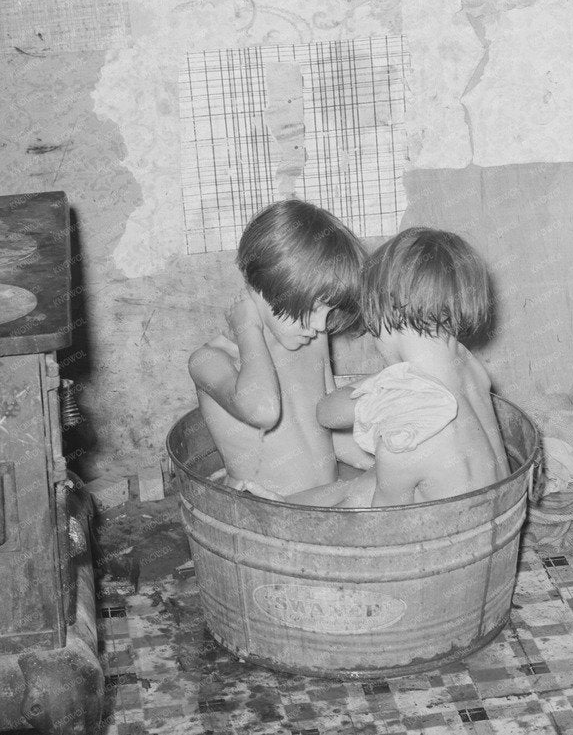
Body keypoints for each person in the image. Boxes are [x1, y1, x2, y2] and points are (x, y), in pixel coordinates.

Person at [248, 227, 508, 508]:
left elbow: (379, 527)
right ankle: (282, 503)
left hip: (437, 541)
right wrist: (386, 382)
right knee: (364, 484)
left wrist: (380, 387)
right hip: (496, 514)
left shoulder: (406, 434)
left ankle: (274, 514)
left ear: (384, 312)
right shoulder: (469, 366)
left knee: (361, 495)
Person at [187, 200, 369, 494]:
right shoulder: (208, 361)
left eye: (328, 311)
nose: (322, 326)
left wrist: (379, 463)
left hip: (323, 503)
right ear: (265, 288)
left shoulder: (311, 342)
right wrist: (247, 326)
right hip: (266, 513)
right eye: (314, 309)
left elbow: (326, 432)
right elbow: (263, 410)